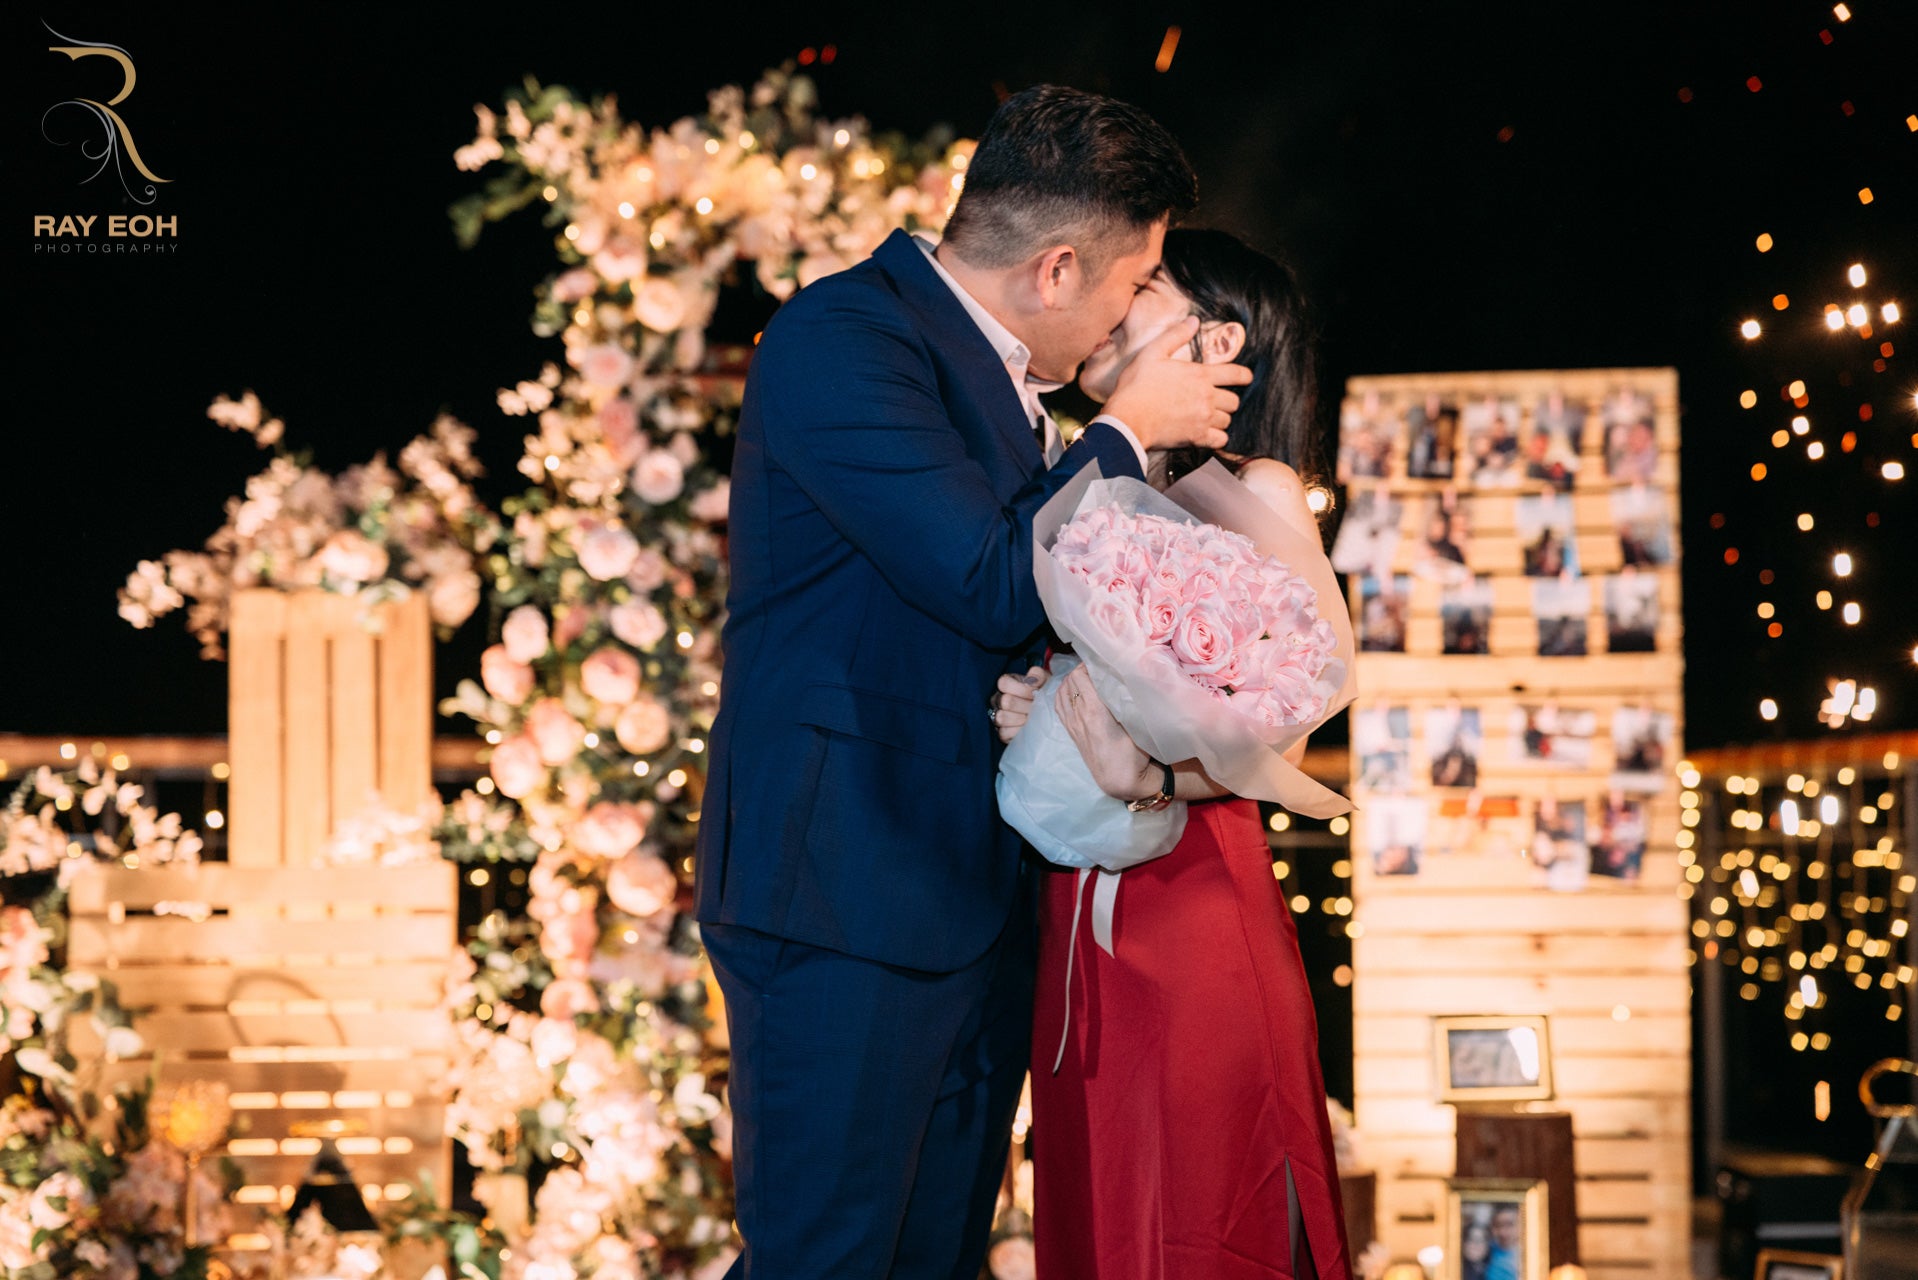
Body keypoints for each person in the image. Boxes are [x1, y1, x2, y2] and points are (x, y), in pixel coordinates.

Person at [693, 86, 1252, 1280]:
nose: (1124, 314)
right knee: (825, 1258)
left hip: (966, 897)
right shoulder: (845, 338)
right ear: (1057, 269)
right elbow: (992, 579)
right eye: (1129, 281)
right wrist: (1124, 431)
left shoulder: (1011, 384)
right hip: (842, 891)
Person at [995, 228, 1352, 1279]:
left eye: (1143, 285)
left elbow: (1284, 723)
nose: (1111, 301)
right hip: (1076, 917)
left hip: (1192, 909)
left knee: (1197, 1220)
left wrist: (1145, 772)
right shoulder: (1088, 476)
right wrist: (1047, 710)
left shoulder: (1259, 490)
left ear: (1217, 339)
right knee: (1101, 1215)